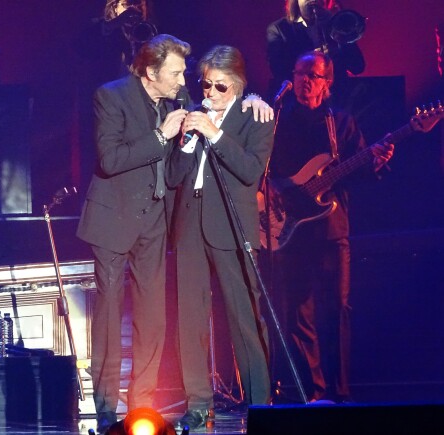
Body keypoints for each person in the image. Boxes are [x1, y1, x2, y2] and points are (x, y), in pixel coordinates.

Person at [76, 33, 190, 434]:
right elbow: (109, 160)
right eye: (175, 72)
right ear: (151, 70)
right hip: (113, 218)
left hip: (154, 220)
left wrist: (184, 144)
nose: (182, 79)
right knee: (108, 317)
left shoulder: (175, 101)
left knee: (153, 316)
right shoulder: (111, 96)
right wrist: (160, 136)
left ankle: (141, 407)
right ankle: (107, 409)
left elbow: (173, 169)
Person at [267, 51, 393, 403]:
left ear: (327, 82)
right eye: (300, 73)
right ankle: (313, 393)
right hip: (289, 233)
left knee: (337, 310)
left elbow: (361, 172)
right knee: (297, 316)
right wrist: (275, 192)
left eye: (313, 75)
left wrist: (377, 162)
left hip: (331, 232)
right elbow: (265, 172)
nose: (305, 80)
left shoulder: (340, 122)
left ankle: (340, 392)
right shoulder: (279, 120)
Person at [166, 45, 274, 428]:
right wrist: (187, 142)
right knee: (190, 316)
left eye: (220, 87)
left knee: (244, 314)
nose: (210, 93)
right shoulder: (193, 117)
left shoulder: (255, 116)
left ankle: (260, 401)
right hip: (190, 220)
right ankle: (198, 401)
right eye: (206, 85)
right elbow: (173, 176)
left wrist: (215, 133)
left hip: (230, 222)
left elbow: (249, 171)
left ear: (239, 86)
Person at [266, 0, 364, 100]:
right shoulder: (278, 29)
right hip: (302, 101)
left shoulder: (335, 23)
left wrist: (340, 34)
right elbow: (279, 71)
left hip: (340, 98)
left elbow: (357, 67)